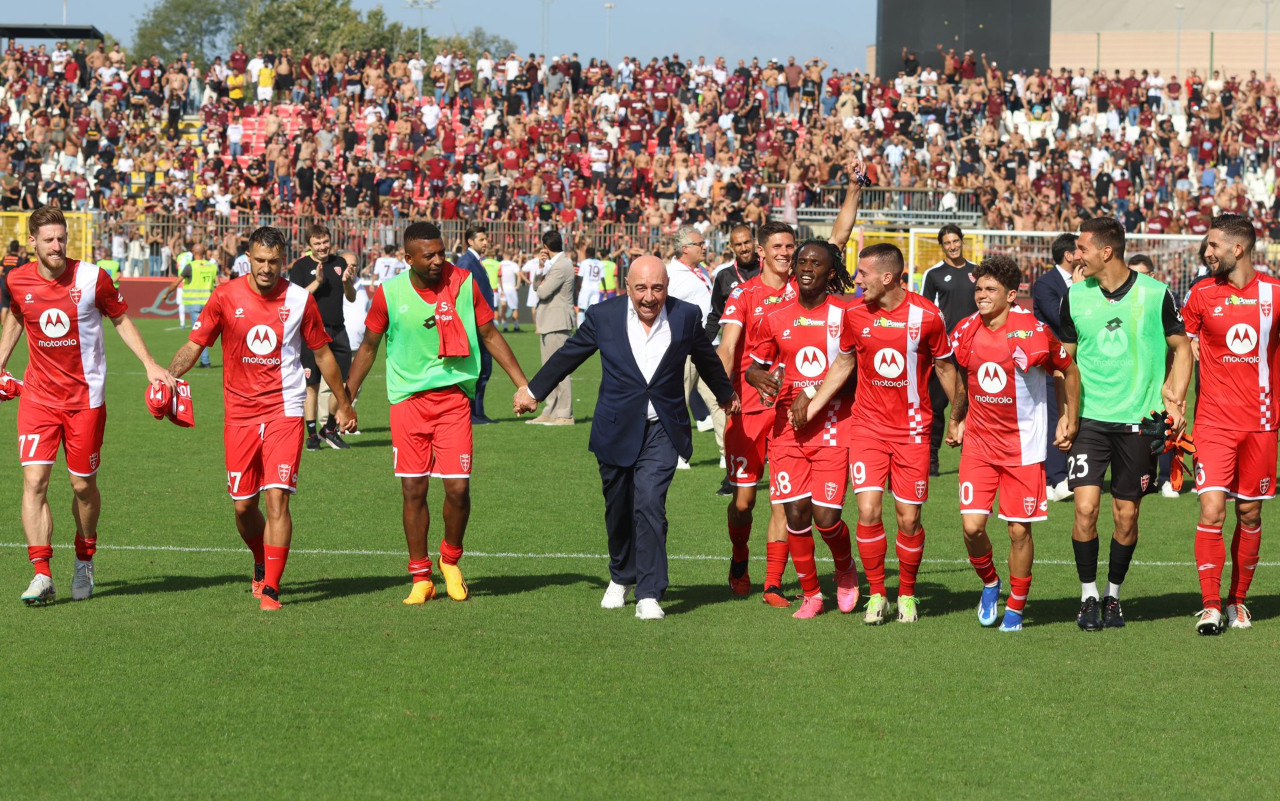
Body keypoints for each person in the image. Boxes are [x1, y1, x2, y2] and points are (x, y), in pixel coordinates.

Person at [513, 256, 739, 620]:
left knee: (650, 502)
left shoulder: (685, 316)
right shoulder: (603, 316)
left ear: (667, 285)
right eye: (641, 289)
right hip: (615, 429)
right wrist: (534, 392)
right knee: (618, 510)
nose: (650, 297)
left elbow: (707, 360)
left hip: (662, 429)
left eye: (658, 288)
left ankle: (650, 592)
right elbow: (569, 355)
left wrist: (726, 395)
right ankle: (621, 576)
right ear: (627, 286)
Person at [168, 225, 356, 610]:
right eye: (260, 261)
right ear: (248, 259)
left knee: (277, 501)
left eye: (274, 261)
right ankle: (259, 559)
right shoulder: (224, 296)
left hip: (285, 409)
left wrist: (344, 401)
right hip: (239, 413)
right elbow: (194, 344)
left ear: (283, 260)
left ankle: (271, 587)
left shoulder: (301, 299)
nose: (267, 268)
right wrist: (169, 378)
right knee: (242, 506)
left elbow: (322, 354)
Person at [0, 206, 175, 605]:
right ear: (32, 242)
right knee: (34, 482)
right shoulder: (16, 279)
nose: (57, 246)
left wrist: (150, 364)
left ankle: (84, 558)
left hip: (85, 401)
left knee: (82, 486)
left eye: (62, 238)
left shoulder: (93, 278)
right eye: (49, 240)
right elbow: (15, 317)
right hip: (38, 398)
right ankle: (41, 574)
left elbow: (122, 319)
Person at [347, 222, 529, 605]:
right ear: (407, 258)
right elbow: (368, 346)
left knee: (458, 489)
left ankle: (450, 560)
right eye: (428, 255)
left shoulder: (463, 283)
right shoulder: (390, 293)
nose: (437, 260)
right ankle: (420, 576)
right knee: (413, 489)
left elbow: (491, 334)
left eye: (441, 252)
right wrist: (347, 397)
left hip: (453, 401)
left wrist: (521, 384)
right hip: (409, 403)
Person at [791, 243, 961, 625]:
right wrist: (813, 405)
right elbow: (844, 362)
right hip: (867, 427)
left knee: (908, 520)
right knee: (867, 511)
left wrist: (958, 417)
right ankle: (877, 594)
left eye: (863, 274)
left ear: (888, 277)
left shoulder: (927, 315)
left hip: (913, 431)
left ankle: (907, 593)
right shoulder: (855, 313)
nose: (857, 280)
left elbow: (947, 369)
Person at [715, 174, 862, 601]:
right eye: (777, 248)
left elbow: (838, 236)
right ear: (761, 252)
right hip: (747, 406)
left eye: (789, 248)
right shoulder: (744, 295)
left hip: (797, 408)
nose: (785, 254)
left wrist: (852, 190)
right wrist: (726, 395)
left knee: (786, 499)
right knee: (744, 502)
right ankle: (739, 556)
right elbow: (728, 349)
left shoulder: (806, 285)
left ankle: (774, 582)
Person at [1059, 216, 1192, 631]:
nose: (1075, 255)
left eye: (1081, 248)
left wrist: (1175, 396)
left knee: (1126, 516)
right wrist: (1068, 414)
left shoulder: (1157, 294)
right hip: (1091, 421)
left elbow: (1183, 348)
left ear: (1105, 251)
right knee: (1084, 509)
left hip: (1141, 420)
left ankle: (1113, 597)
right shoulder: (1075, 297)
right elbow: (1066, 362)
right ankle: (1088, 597)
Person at [946, 254, 1081, 632]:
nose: (982, 295)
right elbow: (963, 380)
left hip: (1024, 447)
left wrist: (1070, 417)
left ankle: (1017, 607)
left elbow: (1067, 368)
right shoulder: (965, 330)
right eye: (978, 289)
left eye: (990, 289)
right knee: (972, 527)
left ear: (1010, 294)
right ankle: (991, 583)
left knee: (1019, 531)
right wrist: (957, 419)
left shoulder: (1032, 331)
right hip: (979, 445)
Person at [743, 240, 860, 619]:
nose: (807, 267)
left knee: (826, 517)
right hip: (787, 430)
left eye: (817, 263)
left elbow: (853, 367)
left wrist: (810, 393)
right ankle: (811, 592)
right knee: (795, 513)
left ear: (831, 272)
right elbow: (754, 364)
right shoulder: (775, 315)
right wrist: (760, 377)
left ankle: (844, 569)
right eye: (802, 261)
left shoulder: (846, 313)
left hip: (832, 425)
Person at [1183, 214, 1280, 634]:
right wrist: (1172, 400)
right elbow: (1181, 349)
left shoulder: (1275, 294)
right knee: (1212, 508)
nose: (1207, 253)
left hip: (1261, 425)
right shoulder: (1201, 293)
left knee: (1250, 513)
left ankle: (1238, 600)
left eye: (1213, 246)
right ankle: (1210, 604)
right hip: (1213, 422)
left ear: (1237, 249)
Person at [288, 224, 356, 450]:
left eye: (325, 242)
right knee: (312, 386)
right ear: (309, 246)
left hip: (338, 330)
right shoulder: (300, 266)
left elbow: (352, 297)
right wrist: (317, 281)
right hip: (311, 332)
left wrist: (347, 282)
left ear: (330, 241)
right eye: (317, 243)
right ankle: (311, 436)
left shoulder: (340, 264)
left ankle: (328, 429)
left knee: (344, 383)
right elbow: (296, 298)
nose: (322, 246)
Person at [919, 224, 978, 477]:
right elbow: (926, 312)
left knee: (976, 405)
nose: (953, 246)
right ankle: (931, 461)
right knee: (936, 406)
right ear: (942, 246)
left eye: (956, 241)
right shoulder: (933, 275)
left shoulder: (977, 272)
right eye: (947, 243)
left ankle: (974, 456)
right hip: (943, 351)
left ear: (962, 241)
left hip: (974, 348)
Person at [666, 226, 725, 470]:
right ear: (684, 248)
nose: (705, 247)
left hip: (709, 345)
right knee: (679, 400)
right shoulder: (672, 274)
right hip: (685, 347)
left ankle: (727, 453)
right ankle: (678, 454)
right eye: (699, 243)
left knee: (720, 399)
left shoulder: (699, 270)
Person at [1031, 233, 1082, 502]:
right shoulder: (1045, 284)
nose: (1084, 254)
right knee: (1055, 415)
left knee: (1076, 414)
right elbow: (1060, 317)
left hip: (1080, 361)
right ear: (1069, 255)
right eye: (1080, 249)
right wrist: (1078, 288)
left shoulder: (1087, 282)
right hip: (1054, 363)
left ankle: (1069, 474)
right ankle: (1056, 477)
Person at [526, 230, 575, 425]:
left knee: (560, 370)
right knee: (549, 369)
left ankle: (564, 413)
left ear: (545, 247)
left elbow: (542, 292)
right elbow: (538, 287)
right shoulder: (555, 265)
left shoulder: (561, 266)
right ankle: (551, 410)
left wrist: (542, 276)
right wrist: (540, 268)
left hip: (557, 321)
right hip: (551, 321)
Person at [457, 224, 498, 425]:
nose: (486, 242)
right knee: (477, 369)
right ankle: (472, 413)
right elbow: (461, 292)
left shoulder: (476, 261)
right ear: (470, 241)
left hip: (481, 322)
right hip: (474, 324)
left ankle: (479, 412)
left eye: (485, 239)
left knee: (484, 369)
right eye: (481, 239)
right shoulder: (466, 262)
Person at [162, 240, 218, 368]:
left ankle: (205, 361)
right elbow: (218, 285)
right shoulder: (212, 266)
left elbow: (177, 282)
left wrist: (167, 294)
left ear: (194, 252)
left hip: (194, 304)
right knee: (209, 332)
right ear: (204, 253)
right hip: (209, 303)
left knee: (198, 334)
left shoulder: (190, 266)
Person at [576, 246, 606, 326]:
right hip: (596, 289)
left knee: (582, 308)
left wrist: (577, 288)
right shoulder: (600, 263)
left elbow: (580, 277)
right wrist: (605, 290)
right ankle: (592, 327)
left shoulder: (584, 262)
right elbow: (602, 278)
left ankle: (580, 327)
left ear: (587, 254)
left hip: (586, 288)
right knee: (593, 309)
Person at [496, 249, 524, 332]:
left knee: (503, 307)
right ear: (510, 256)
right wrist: (518, 285)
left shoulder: (499, 264)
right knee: (514, 308)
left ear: (504, 256)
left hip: (501, 288)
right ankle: (516, 327)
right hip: (511, 288)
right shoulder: (513, 265)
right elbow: (519, 274)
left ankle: (505, 327)